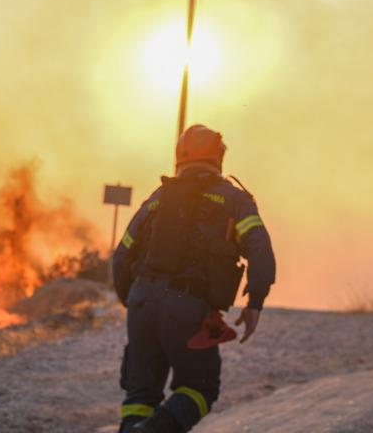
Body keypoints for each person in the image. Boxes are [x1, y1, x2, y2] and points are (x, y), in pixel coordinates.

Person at [111, 124, 276, 433]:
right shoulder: (234, 200)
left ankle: (136, 427)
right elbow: (259, 248)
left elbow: (121, 257)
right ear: (218, 157)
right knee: (200, 389)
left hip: (142, 301)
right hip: (187, 306)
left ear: (179, 157)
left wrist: (134, 302)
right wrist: (255, 302)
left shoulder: (157, 199)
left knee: (140, 397)